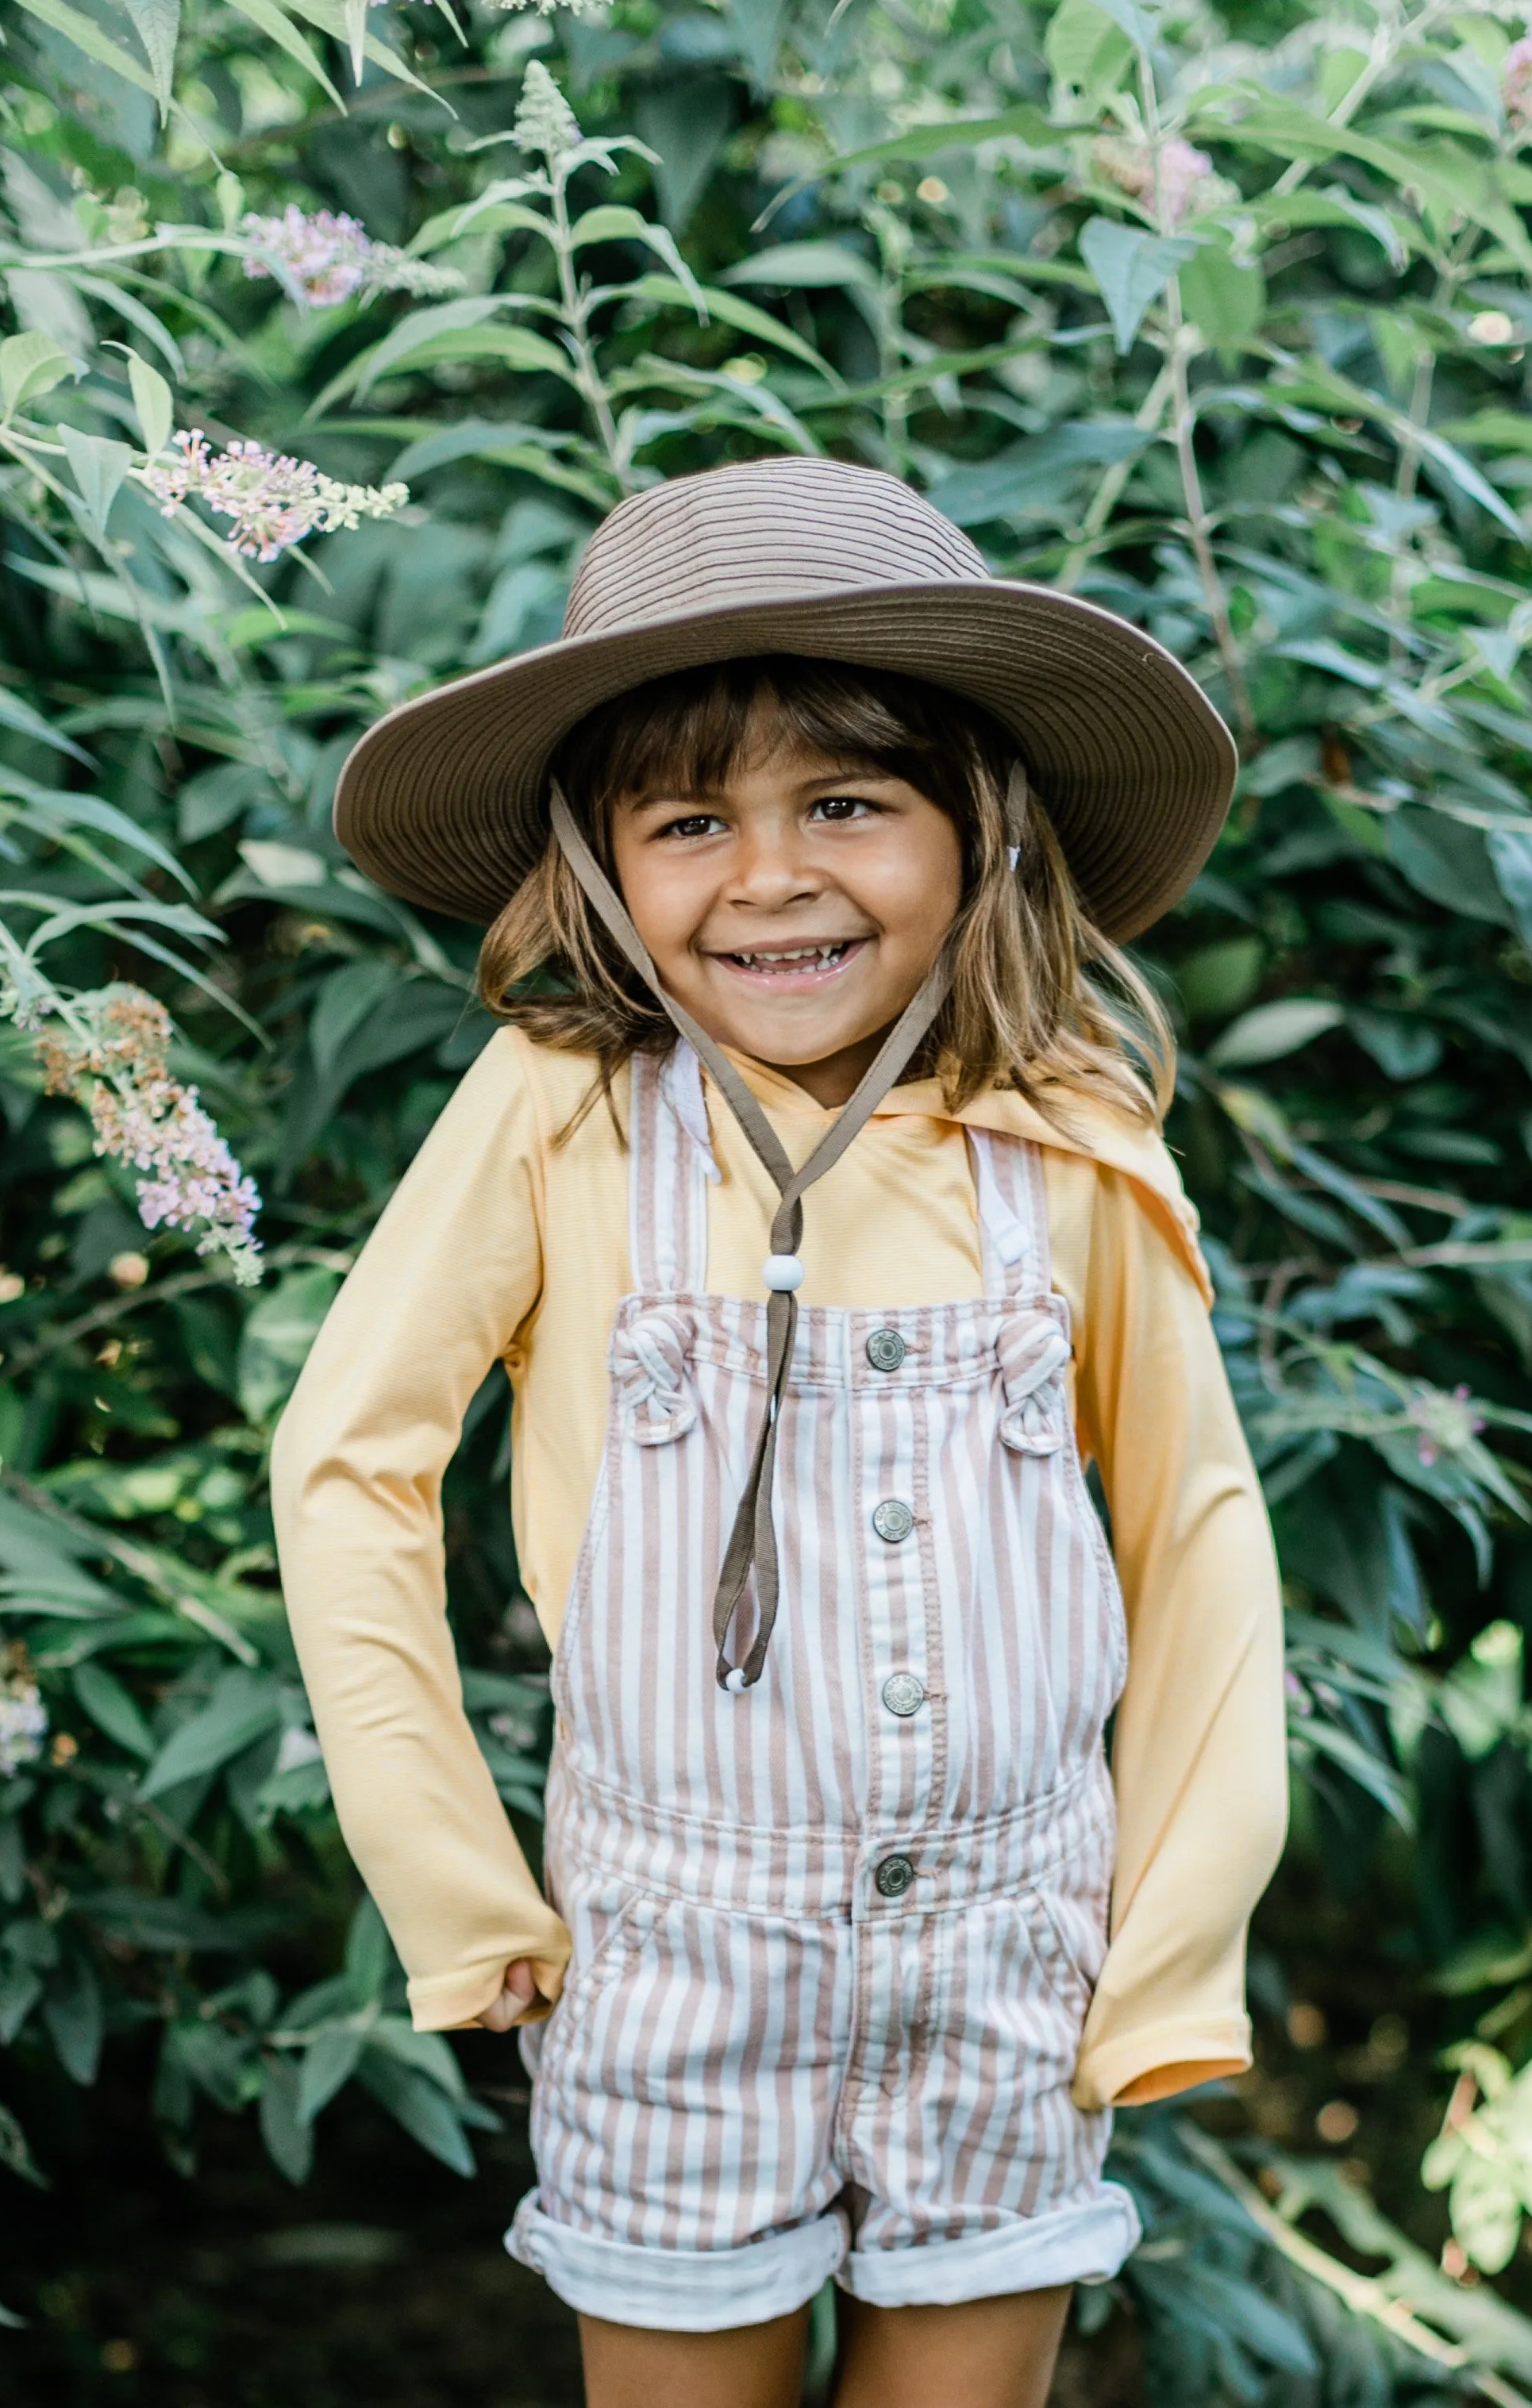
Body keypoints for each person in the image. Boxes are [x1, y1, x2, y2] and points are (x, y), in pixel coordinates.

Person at [271, 456, 1288, 2408]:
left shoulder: (1053, 1128)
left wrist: (1175, 1924)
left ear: (976, 826)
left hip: (1006, 1957)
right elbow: (351, 1457)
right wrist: (446, 1870)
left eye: (845, 802)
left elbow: (1196, 1517)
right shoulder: (561, 1104)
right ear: (597, 861)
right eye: (688, 820)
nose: (769, 875)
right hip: (672, 1961)